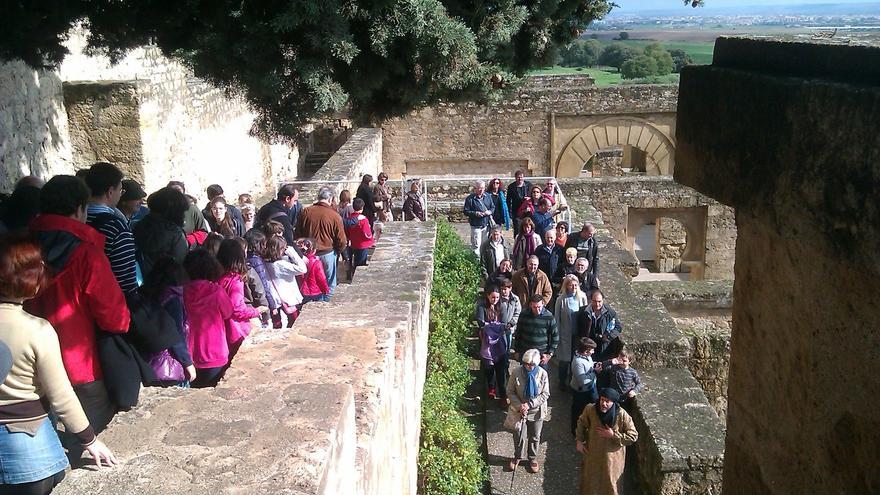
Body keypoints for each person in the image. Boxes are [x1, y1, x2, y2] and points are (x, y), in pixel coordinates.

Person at [0, 234, 118, 494]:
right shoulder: (37, 330)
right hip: (29, 448)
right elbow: (61, 395)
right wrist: (90, 440)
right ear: (30, 282)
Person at [26, 175, 131, 438]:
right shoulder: (87, 254)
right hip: (81, 362)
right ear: (80, 209)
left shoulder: (21, 247)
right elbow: (115, 318)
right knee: (91, 439)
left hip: (27, 365)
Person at [138, 257, 196, 386]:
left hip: (149, 363)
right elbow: (176, 335)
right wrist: (188, 363)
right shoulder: (172, 299)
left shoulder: (145, 295)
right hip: (170, 365)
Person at [84, 162, 139, 293]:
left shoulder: (75, 218)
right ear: (110, 192)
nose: (121, 195)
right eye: (120, 190)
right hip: (108, 299)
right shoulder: (117, 227)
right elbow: (125, 278)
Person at [182, 249, 233, 388]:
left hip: (190, 354)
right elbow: (228, 313)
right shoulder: (216, 291)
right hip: (215, 353)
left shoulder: (181, 292)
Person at [575, 388, 638, 495]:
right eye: (602, 400)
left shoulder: (622, 415)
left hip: (612, 459)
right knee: (591, 482)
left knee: (611, 484)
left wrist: (613, 435)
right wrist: (579, 441)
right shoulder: (591, 409)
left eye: (607, 401)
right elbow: (581, 422)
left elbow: (633, 436)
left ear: (613, 403)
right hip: (593, 455)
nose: (603, 404)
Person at [295, 187, 347, 296]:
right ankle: (325, 306)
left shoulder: (305, 212)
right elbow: (341, 239)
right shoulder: (334, 216)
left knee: (309, 283)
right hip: (327, 253)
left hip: (308, 254)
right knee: (328, 285)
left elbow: (298, 235)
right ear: (331, 199)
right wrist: (338, 251)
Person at [505, 348, 550, 474]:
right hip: (519, 410)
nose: (529, 366)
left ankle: (532, 458)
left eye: (532, 364)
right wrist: (520, 406)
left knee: (535, 436)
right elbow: (510, 391)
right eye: (526, 363)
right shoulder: (516, 372)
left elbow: (545, 394)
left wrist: (529, 404)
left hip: (536, 411)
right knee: (519, 435)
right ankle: (517, 456)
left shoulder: (542, 373)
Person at [216, 239, 266, 351]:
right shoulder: (235, 280)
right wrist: (257, 311)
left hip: (220, 329)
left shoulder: (216, 277)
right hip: (235, 330)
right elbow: (238, 310)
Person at [134, 187, 189, 279]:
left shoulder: (138, 225)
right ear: (177, 211)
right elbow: (181, 261)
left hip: (141, 282)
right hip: (167, 284)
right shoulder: (175, 233)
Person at [263, 235, 308, 327]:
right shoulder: (280, 265)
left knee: (277, 324)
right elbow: (303, 269)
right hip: (287, 299)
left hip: (274, 299)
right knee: (294, 322)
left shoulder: (264, 262)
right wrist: (293, 253)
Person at [555, 275, 589, 390]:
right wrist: (557, 335)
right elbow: (557, 318)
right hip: (565, 334)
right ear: (566, 286)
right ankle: (562, 381)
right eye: (571, 285)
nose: (574, 287)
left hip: (577, 335)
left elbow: (586, 315)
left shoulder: (582, 297)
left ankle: (572, 382)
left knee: (575, 359)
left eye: (576, 285)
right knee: (564, 360)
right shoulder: (561, 299)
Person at [474, 287, 508, 402]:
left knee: (501, 369)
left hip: (499, 342)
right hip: (487, 342)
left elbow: (504, 323)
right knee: (489, 367)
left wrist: (490, 326)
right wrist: (495, 326)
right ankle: (491, 387)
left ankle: (503, 393)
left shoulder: (502, 306)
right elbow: (480, 322)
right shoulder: (482, 307)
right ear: (488, 296)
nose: (495, 300)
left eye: (497, 297)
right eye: (493, 297)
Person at [244, 229, 281, 329]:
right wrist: (271, 306)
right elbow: (262, 286)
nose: (265, 246)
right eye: (263, 243)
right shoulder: (256, 262)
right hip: (259, 305)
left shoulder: (244, 259)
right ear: (256, 244)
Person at [513, 294, 558, 372]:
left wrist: (549, 354)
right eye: (535, 307)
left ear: (543, 304)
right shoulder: (524, 315)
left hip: (541, 354)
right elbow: (518, 333)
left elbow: (555, 336)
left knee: (540, 379)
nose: (537, 310)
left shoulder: (549, 317)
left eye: (539, 307)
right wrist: (517, 350)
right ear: (531, 305)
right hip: (525, 353)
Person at [578, 290, 622, 363]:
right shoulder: (583, 311)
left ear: (603, 300)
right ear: (590, 300)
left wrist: (608, 337)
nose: (597, 304)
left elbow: (618, 327)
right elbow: (579, 327)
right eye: (595, 301)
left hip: (604, 347)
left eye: (599, 301)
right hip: (588, 346)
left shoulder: (610, 312)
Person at [166, 181, 211, 247]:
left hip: (189, 251)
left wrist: (191, 239)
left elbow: (204, 233)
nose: (175, 195)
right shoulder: (161, 210)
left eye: (178, 192)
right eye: (172, 192)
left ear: (183, 193)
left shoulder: (192, 209)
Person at [569, 337, 599, 436]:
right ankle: (576, 431)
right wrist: (595, 372)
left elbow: (589, 365)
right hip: (581, 391)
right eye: (592, 350)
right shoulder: (578, 362)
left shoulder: (586, 357)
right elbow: (582, 381)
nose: (593, 352)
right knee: (578, 412)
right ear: (586, 351)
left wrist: (595, 365)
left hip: (590, 387)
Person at [463, 180, 495, 254]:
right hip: (476, 225)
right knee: (476, 246)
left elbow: (493, 207)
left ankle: (484, 262)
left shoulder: (488, 196)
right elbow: (466, 211)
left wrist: (489, 212)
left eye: (483, 188)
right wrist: (475, 213)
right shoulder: (470, 199)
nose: (481, 190)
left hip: (486, 225)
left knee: (484, 245)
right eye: (479, 188)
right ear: (475, 188)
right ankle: (476, 263)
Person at [295, 238, 330, 304]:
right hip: (315, 291)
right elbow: (321, 278)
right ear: (314, 250)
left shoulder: (298, 262)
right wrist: (325, 289)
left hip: (303, 291)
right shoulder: (317, 263)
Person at [345, 198, 375, 274]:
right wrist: (371, 239)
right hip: (362, 244)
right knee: (361, 263)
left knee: (354, 262)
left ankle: (352, 274)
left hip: (353, 243)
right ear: (362, 208)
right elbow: (367, 233)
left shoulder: (349, 218)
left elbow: (347, 232)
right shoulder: (363, 219)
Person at [498, 278, 521, 351]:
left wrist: (512, 323)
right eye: (501, 289)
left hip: (509, 327)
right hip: (499, 327)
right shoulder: (498, 298)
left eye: (505, 289)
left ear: (510, 288)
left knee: (508, 346)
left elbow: (517, 313)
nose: (503, 291)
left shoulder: (515, 299)